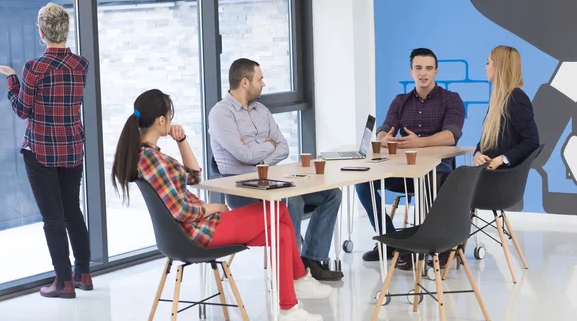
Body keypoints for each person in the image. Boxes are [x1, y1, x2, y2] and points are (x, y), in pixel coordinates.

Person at [111, 89, 331, 321]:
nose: (172, 121)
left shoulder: (147, 156)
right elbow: (181, 210)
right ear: (161, 120)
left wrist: (182, 141)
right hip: (198, 232)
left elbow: (195, 178)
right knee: (278, 209)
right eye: (170, 116)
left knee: (282, 231)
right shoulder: (152, 160)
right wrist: (214, 208)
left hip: (196, 229)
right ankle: (298, 285)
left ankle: (289, 305)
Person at [0, 3, 92, 298]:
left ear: (41, 32)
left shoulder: (35, 67)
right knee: (72, 211)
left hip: (41, 149)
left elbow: (22, 109)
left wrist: (10, 78)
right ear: (65, 30)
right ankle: (83, 273)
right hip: (72, 147)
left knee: (53, 218)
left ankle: (63, 282)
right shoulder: (81, 64)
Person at [208, 58, 343, 281]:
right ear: (244, 82)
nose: (263, 84)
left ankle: (309, 259)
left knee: (332, 194)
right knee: (293, 200)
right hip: (241, 189)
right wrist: (266, 146)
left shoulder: (261, 110)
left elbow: (282, 147)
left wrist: (259, 158)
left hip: (271, 181)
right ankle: (290, 270)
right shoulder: (220, 114)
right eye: (259, 79)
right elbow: (243, 155)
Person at [355, 48, 465, 268]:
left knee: (430, 179)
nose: (423, 73)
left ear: (436, 72)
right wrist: (384, 137)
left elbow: (451, 135)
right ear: (411, 72)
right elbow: (386, 127)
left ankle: (425, 247)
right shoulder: (400, 101)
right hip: (403, 171)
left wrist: (420, 142)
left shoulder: (451, 99)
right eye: (418, 68)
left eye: (428, 68)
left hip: (438, 170)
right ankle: (392, 242)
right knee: (363, 182)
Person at [474, 45, 539, 169]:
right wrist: (477, 154)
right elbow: (487, 140)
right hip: (487, 174)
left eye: (488, 63)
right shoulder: (499, 100)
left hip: (500, 177)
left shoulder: (516, 98)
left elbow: (532, 142)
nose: (485, 67)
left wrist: (502, 159)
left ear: (499, 66)